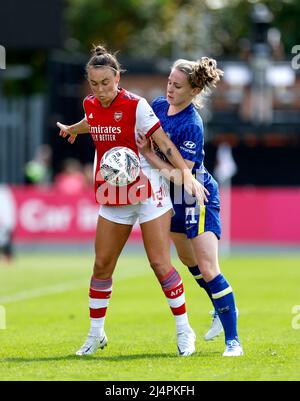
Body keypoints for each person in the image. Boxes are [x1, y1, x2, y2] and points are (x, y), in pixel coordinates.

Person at [56, 45, 209, 357]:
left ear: (117, 78)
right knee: (101, 266)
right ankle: (95, 335)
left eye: (105, 83)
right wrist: (74, 129)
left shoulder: (137, 106)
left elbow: (164, 143)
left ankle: (184, 330)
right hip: (113, 192)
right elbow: (93, 121)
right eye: (94, 83)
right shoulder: (90, 104)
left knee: (159, 263)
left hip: (148, 191)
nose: (99, 90)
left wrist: (187, 176)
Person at [136, 57, 243, 356]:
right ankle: (218, 309)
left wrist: (150, 155)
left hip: (196, 195)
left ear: (194, 91)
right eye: (169, 82)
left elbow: (184, 175)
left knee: (209, 268)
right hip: (171, 197)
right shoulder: (158, 105)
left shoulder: (192, 124)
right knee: (189, 262)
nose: (170, 89)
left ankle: (233, 341)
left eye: (177, 85)